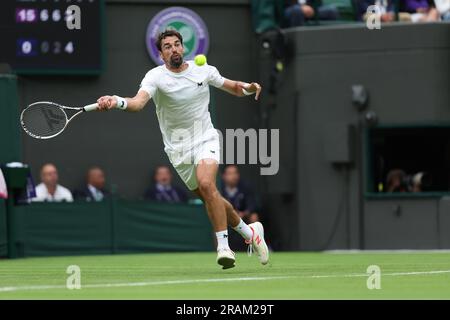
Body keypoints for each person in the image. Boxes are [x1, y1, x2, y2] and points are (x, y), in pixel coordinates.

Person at [95, 30, 269, 269]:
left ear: (183, 48)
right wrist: (116, 101)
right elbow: (137, 103)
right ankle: (250, 233)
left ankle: (224, 247)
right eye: (168, 46)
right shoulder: (155, 77)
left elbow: (235, 88)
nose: (174, 49)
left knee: (208, 185)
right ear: (161, 53)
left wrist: (249, 87)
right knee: (211, 198)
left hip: (205, 138)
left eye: (177, 44)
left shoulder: (203, 69)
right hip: (178, 150)